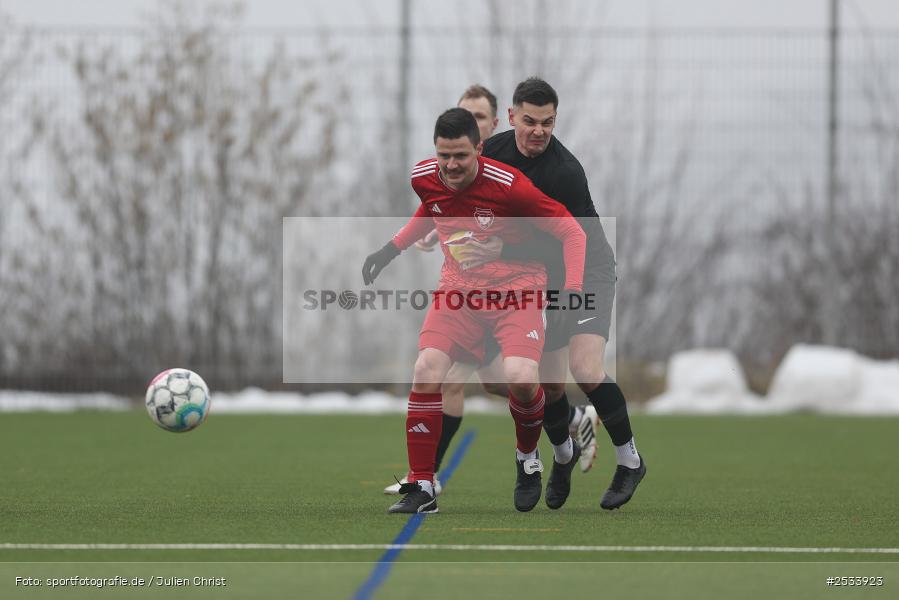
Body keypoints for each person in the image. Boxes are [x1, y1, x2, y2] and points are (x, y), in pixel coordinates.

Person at [362, 107, 587, 514]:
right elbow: (432, 207)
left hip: (516, 290)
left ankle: (527, 458)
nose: (450, 165)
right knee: (427, 369)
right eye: (444, 155)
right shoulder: (423, 176)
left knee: (520, 378)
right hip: (459, 292)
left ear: (479, 150)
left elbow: (570, 229)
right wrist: (391, 248)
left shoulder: (511, 186)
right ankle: (423, 485)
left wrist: (571, 292)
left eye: (460, 156)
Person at [464, 78, 646, 510]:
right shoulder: (490, 156)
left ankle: (630, 460)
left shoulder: (565, 172)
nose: (538, 131)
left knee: (584, 368)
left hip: (584, 272)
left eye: (547, 123)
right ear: (511, 118)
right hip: (532, 276)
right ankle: (564, 451)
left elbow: (570, 242)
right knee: (516, 380)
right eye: (529, 121)